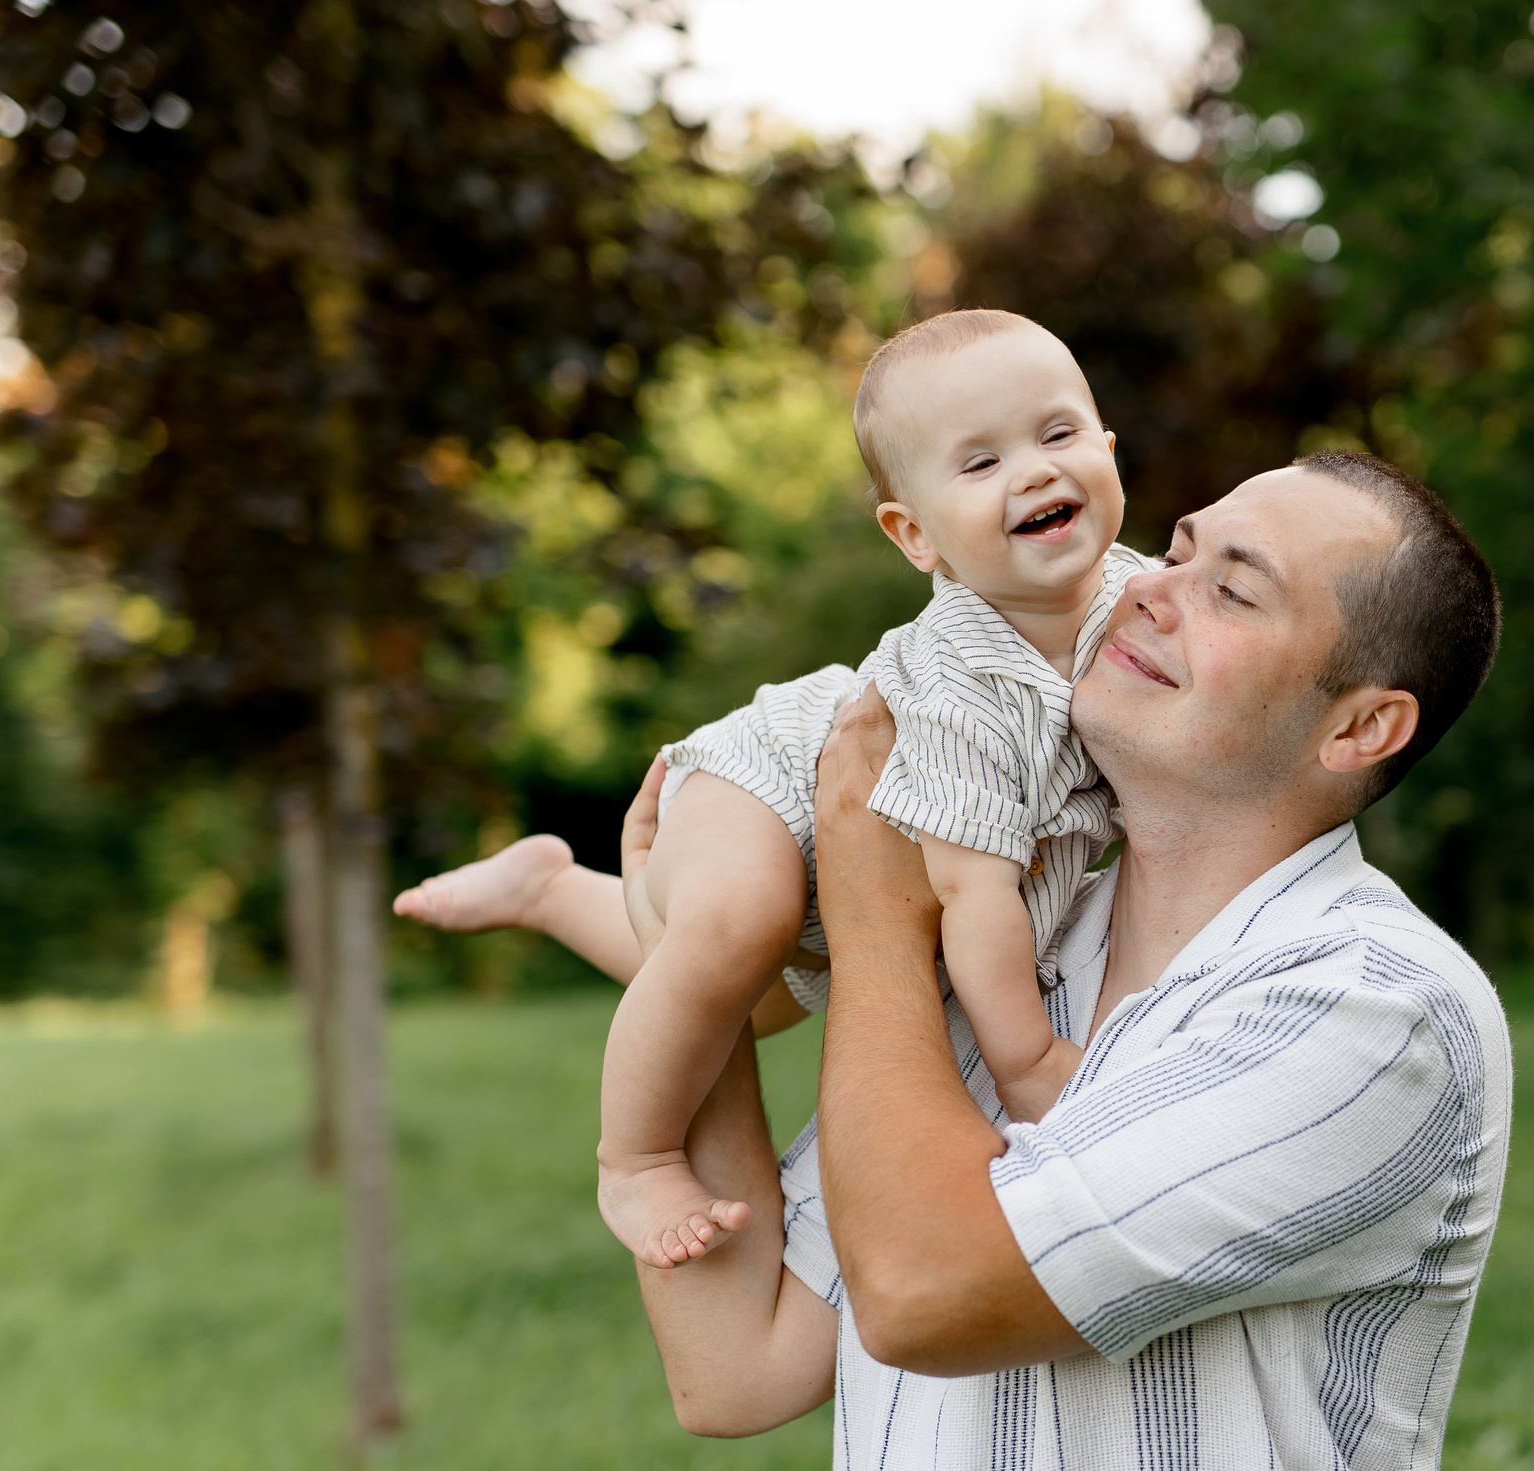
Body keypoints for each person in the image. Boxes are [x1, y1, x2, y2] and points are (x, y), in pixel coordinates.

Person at [636, 451, 1512, 1471]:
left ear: (1360, 726)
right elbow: (735, 1364)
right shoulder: (1020, 957)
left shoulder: (1368, 1008)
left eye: (1235, 593)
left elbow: (927, 1293)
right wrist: (703, 942)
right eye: (1179, 548)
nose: (1152, 589)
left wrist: (878, 919)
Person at [398, 309, 1137, 1269]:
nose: (1036, 471)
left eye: (1058, 433)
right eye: (980, 463)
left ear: (1109, 447)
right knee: (736, 923)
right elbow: (974, 892)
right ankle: (635, 1156)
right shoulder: (968, 685)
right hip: (781, 778)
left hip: (863, 861)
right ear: (914, 535)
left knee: (750, 1003)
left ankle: (548, 888)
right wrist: (1029, 1063)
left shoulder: (1145, 599)